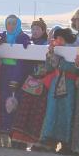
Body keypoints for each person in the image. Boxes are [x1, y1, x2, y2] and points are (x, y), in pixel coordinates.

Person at [11, 19, 51, 149]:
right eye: (33, 29)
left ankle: (35, 142)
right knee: (24, 110)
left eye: (37, 29)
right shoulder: (28, 43)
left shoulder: (47, 44)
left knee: (37, 113)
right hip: (29, 81)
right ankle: (18, 141)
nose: (34, 31)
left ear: (43, 31)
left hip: (42, 83)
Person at [0, 15, 31, 147]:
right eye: (8, 23)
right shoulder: (3, 36)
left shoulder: (22, 37)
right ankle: (3, 134)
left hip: (16, 73)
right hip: (3, 73)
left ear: (18, 25)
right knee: (2, 102)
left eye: (13, 23)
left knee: (14, 104)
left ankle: (14, 137)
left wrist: (17, 78)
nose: (10, 25)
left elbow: (22, 61)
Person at [40, 27, 79, 154]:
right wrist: (50, 55)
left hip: (69, 83)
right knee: (52, 110)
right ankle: (49, 140)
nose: (57, 41)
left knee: (66, 111)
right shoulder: (55, 52)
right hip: (56, 82)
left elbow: (73, 68)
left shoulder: (74, 51)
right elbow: (48, 67)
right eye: (56, 39)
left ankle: (65, 142)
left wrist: (57, 60)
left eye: (60, 39)